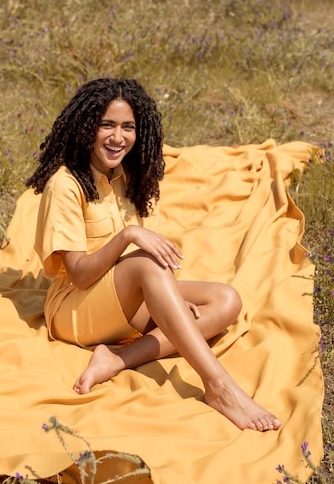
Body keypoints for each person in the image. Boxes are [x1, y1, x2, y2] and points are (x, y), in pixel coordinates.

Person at [26, 78, 281, 432]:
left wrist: (170, 297)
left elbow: (147, 268)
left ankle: (117, 358)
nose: (118, 137)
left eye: (128, 127)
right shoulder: (65, 184)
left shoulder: (133, 178)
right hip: (74, 309)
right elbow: (81, 275)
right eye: (107, 125)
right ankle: (220, 387)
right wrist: (127, 235)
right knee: (146, 263)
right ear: (86, 127)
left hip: (122, 293)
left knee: (226, 300)